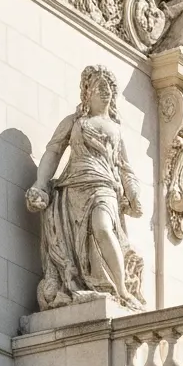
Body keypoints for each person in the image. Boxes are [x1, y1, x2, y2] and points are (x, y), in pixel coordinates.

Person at [26, 66, 144, 310]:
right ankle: (86, 283)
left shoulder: (116, 129)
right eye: (100, 86)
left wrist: (134, 197)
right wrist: (40, 184)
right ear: (87, 92)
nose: (105, 91)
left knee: (102, 228)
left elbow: (125, 169)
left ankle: (121, 289)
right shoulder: (74, 122)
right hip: (73, 189)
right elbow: (53, 151)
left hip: (104, 187)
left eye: (109, 87)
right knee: (80, 249)